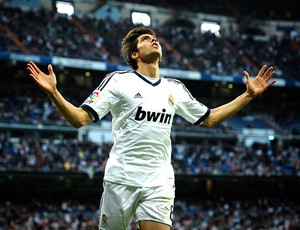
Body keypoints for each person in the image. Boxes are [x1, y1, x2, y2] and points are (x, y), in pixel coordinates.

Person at [27, 27, 276, 230]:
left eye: (155, 38)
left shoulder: (174, 88)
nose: (154, 40)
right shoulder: (118, 81)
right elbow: (80, 118)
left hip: (159, 179)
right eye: (146, 39)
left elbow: (210, 118)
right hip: (121, 178)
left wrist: (248, 96)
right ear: (134, 54)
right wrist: (54, 93)